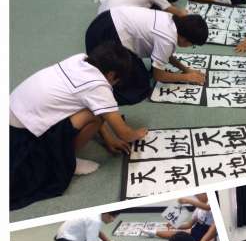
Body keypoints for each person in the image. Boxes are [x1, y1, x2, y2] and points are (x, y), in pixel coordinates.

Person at [10, 42, 148, 210]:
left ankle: (63, 151)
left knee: (91, 108)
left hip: (14, 115)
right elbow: (124, 133)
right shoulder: (98, 86)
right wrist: (139, 133)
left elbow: (92, 103)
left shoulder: (79, 60)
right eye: (117, 81)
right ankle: (68, 161)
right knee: (93, 114)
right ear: (111, 75)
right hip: (23, 137)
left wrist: (108, 139)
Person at [85, 7, 208, 105]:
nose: (190, 46)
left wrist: (186, 69)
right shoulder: (167, 39)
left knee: (141, 76)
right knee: (140, 87)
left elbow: (165, 54)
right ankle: (95, 98)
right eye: (192, 45)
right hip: (104, 35)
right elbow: (158, 76)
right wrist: (187, 77)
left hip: (106, 19)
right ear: (186, 40)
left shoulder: (172, 20)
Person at [143, 194, 216, 241]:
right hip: (196, 231)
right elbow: (189, 224)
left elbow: (208, 207)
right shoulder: (198, 209)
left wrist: (189, 201)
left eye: (198, 195)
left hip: (208, 234)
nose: (197, 197)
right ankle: (154, 232)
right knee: (177, 234)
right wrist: (175, 225)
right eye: (196, 196)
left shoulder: (213, 202)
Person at [55, 212, 121, 241]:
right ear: (106, 214)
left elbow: (98, 232)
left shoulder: (95, 215)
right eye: (113, 217)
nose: (113, 220)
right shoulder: (95, 220)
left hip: (62, 239)